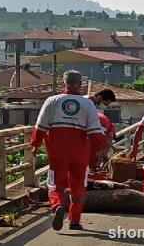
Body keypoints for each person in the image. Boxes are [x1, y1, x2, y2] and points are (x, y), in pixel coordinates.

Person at [30, 70, 106, 231]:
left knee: (56, 183)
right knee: (78, 185)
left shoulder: (52, 100)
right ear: (81, 84)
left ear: (63, 83)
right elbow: (96, 134)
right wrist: (99, 153)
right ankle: (74, 220)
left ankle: (58, 205)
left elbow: (40, 126)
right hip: (80, 152)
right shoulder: (88, 104)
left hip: (57, 150)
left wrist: (35, 145)